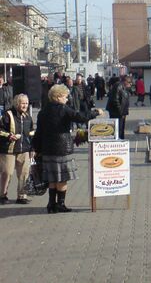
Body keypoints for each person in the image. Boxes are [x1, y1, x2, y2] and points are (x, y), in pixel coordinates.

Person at [33, 84, 103, 213]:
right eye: (65, 96)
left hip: (47, 149)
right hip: (62, 148)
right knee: (62, 179)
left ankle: (51, 204)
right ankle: (60, 204)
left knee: (52, 178)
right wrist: (95, 112)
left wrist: (36, 149)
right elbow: (81, 117)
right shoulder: (64, 109)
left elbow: (39, 132)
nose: (67, 98)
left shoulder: (43, 111)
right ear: (58, 97)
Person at [0, 94, 34, 204]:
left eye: (26, 103)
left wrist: (32, 148)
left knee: (24, 173)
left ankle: (22, 196)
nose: (25, 106)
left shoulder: (28, 116)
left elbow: (31, 132)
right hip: (8, 149)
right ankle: (2, 195)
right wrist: (9, 135)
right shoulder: (8, 114)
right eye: (23, 103)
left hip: (24, 149)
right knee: (7, 172)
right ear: (17, 103)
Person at [106, 75, 131, 140]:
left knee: (121, 129)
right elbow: (115, 100)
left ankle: (121, 141)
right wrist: (120, 112)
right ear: (125, 81)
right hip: (116, 112)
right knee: (118, 129)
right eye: (129, 82)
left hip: (121, 112)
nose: (130, 84)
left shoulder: (124, 87)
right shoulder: (118, 86)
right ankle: (117, 142)